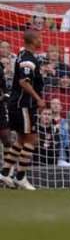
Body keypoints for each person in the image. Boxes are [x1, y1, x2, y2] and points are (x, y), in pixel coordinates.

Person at [0, 30, 45, 190]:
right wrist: (38, 98)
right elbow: (23, 82)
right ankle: (20, 176)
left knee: (20, 140)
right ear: (33, 40)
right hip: (23, 104)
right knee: (31, 140)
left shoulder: (21, 54)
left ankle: (5, 173)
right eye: (39, 38)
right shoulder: (27, 59)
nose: (41, 40)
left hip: (17, 104)